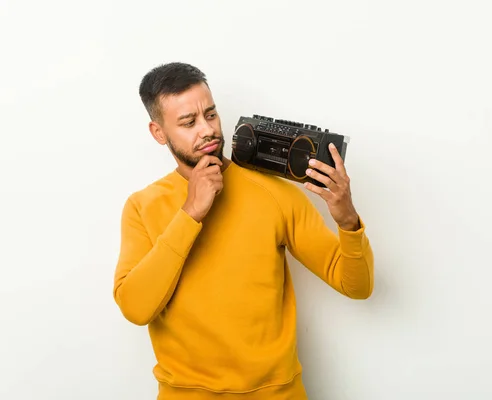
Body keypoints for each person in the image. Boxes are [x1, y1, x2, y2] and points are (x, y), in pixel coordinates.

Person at [112, 62, 375, 400]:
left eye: (210, 114)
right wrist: (191, 212)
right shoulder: (142, 206)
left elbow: (357, 286)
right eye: (188, 123)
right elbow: (135, 308)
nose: (206, 130)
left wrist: (347, 220)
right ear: (158, 132)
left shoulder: (275, 194)